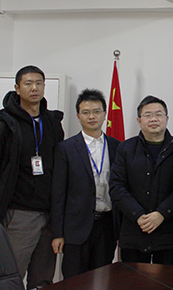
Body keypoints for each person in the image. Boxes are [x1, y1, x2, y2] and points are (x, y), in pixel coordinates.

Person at [0, 65, 65, 289]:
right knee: (13, 275)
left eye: (39, 83)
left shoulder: (52, 123)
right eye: (28, 83)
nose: (34, 88)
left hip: (49, 214)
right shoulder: (3, 126)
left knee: (43, 279)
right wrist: (2, 204)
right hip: (19, 214)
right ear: (17, 88)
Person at [50, 89, 120, 279]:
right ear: (78, 116)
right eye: (86, 112)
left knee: (103, 279)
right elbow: (58, 194)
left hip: (107, 226)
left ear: (104, 114)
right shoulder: (65, 148)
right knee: (74, 280)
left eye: (96, 111)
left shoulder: (117, 146)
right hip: (75, 228)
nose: (92, 117)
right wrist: (57, 233)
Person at [109, 95, 173, 265]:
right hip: (134, 231)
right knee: (133, 279)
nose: (153, 119)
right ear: (139, 120)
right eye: (148, 115)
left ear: (166, 118)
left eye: (158, 114)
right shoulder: (125, 148)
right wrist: (138, 215)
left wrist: (161, 213)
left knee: (168, 279)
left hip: (168, 233)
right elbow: (116, 186)